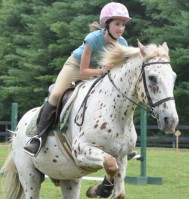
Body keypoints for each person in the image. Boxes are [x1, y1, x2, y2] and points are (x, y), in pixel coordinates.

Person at [23, 2, 132, 157]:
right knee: (55, 95)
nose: (121, 28)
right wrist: (102, 71)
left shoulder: (122, 44)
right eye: (117, 24)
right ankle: (38, 137)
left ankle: (122, 141)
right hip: (76, 67)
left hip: (99, 72)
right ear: (107, 24)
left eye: (123, 25)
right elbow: (83, 71)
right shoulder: (93, 39)